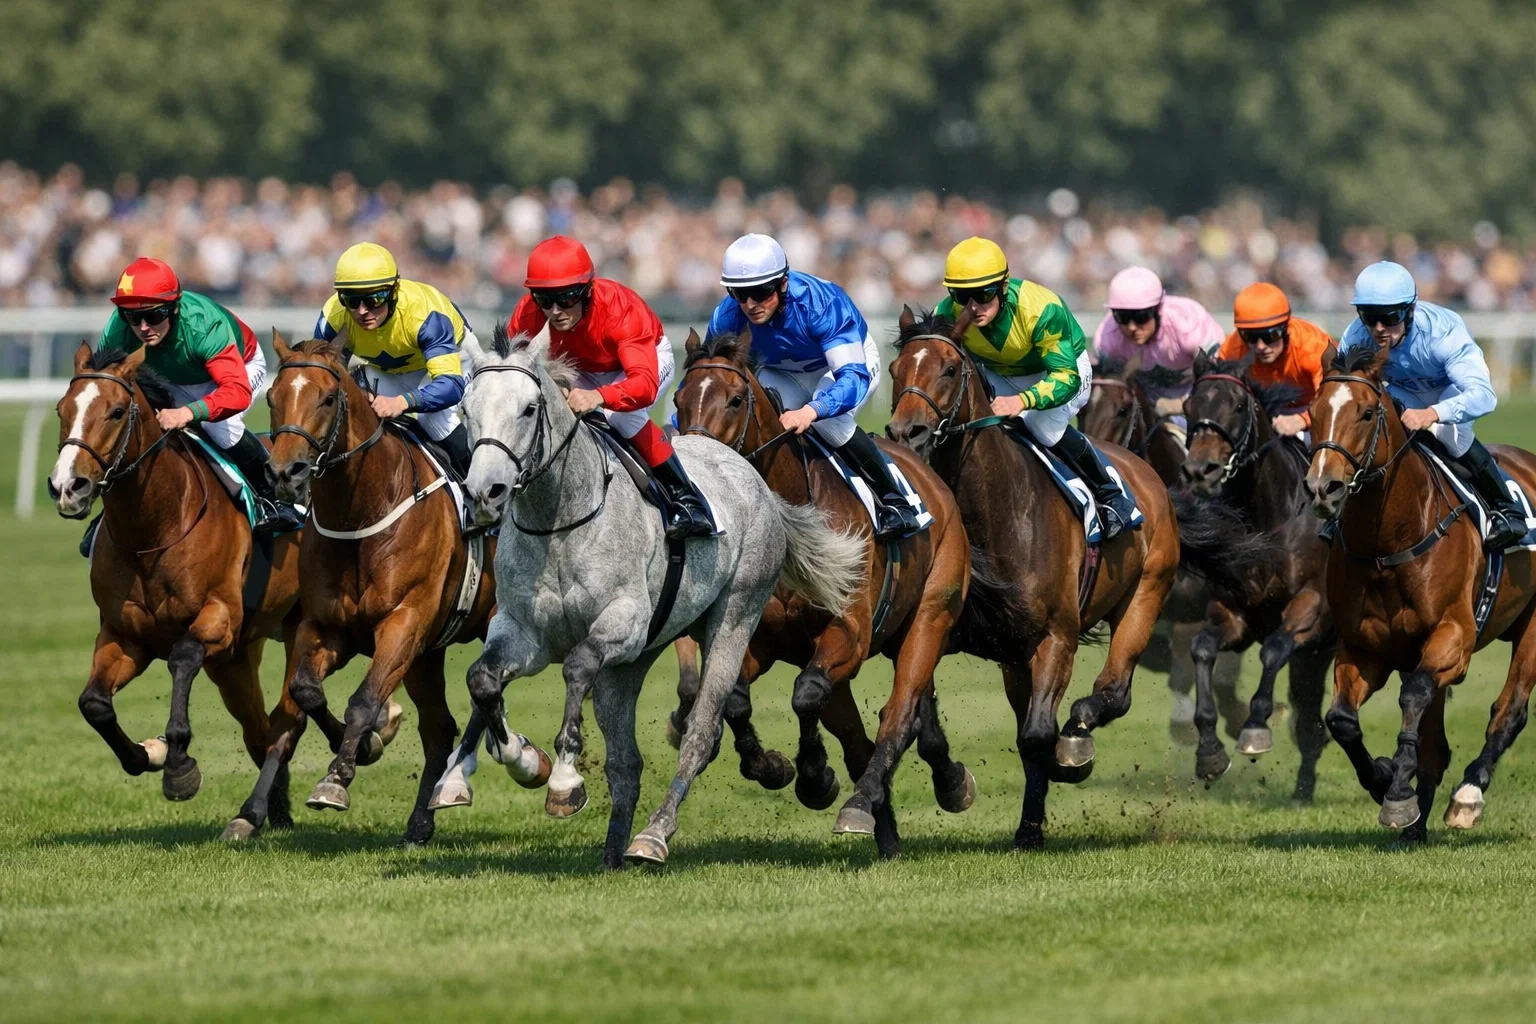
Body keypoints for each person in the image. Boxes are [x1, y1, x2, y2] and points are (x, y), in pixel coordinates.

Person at [82, 257, 301, 555]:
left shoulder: (202, 325)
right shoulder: (118, 330)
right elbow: (107, 389)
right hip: (170, 377)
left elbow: (236, 393)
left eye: (154, 315)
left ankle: (274, 498)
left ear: (174, 306)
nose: (144, 327)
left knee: (217, 425)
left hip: (238, 367)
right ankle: (111, 513)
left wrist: (189, 412)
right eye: (133, 317)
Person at [707, 233, 919, 538]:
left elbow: (852, 378)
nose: (750, 304)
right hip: (784, 372)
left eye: (760, 291)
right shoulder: (727, 316)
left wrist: (812, 410)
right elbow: (710, 380)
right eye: (739, 294)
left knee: (829, 422)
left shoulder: (820, 302)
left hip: (847, 366)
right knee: (756, 415)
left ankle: (895, 500)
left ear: (782, 283)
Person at [508, 235, 713, 540]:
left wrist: (599, 396)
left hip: (645, 361)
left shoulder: (620, 310)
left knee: (621, 416)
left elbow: (643, 386)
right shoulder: (527, 313)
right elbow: (517, 373)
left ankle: (688, 501)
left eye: (566, 298)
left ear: (587, 291)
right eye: (544, 299)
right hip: (582, 369)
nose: (554, 311)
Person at [936, 236, 1135, 540]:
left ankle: (1110, 493)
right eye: (962, 296)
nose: (973, 306)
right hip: (1001, 373)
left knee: (1042, 425)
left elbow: (1065, 377)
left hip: (1061, 370)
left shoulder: (1041, 309)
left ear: (1003, 286)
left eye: (983, 293)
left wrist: (1023, 400)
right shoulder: (947, 314)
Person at [1338, 260, 1526, 551]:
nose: (1378, 328)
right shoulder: (1355, 336)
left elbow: (1484, 395)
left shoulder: (1442, 333)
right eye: (1369, 316)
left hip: (1447, 390)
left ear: (1410, 310)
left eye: (1390, 316)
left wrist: (1433, 413)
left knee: (1450, 435)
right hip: (1401, 392)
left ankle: (1507, 509)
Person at [315, 242, 474, 476]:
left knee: (434, 420)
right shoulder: (334, 316)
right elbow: (321, 378)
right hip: (391, 370)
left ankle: (476, 494)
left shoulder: (424, 315)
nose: (361, 311)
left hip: (453, 362)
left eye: (374, 299)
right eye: (351, 300)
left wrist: (402, 401)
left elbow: (450, 386)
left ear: (394, 291)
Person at [1093, 266, 1224, 428]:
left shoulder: (1188, 325)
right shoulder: (1108, 338)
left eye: (1140, 316)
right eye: (1122, 317)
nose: (1132, 327)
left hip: (1197, 404)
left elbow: (1222, 384)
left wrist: (1180, 405)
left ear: (1158, 309)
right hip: (1145, 412)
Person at [1217, 282, 1334, 441]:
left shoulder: (1315, 346)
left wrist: (1302, 419)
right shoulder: (1231, 350)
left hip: (1313, 409)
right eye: (1250, 336)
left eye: (1270, 336)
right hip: (1262, 413)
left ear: (1286, 327)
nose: (1260, 347)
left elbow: (1333, 399)